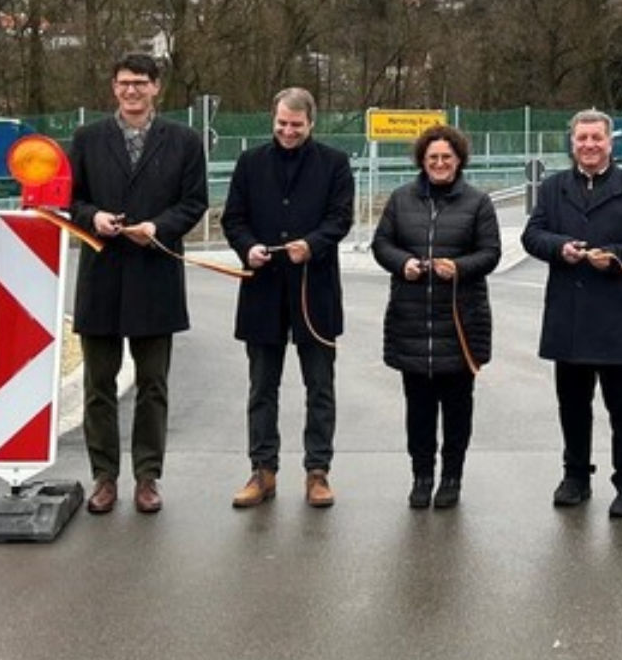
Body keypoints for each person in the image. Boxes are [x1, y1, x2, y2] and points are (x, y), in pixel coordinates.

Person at [66, 53, 209, 515]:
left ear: (155, 89)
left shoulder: (184, 141)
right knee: (98, 386)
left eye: (140, 83)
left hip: (155, 276)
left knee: (153, 385)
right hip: (102, 276)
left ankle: (148, 477)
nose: (132, 91)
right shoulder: (88, 139)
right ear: (113, 87)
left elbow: (194, 202)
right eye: (124, 83)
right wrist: (94, 218)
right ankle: (104, 478)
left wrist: (159, 227)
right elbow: (71, 199)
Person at [521, 109, 622, 519]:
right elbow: (533, 235)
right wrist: (560, 247)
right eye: (581, 138)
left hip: (616, 313)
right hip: (569, 314)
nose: (588, 145)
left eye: (596, 138)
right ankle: (576, 476)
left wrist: (616, 256)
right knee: (572, 404)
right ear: (572, 143)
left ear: (610, 142)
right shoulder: (552, 189)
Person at [220, 87, 354, 510]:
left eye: (296, 125)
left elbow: (340, 218)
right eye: (282, 123)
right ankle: (263, 470)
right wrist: (247, 248)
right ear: (272, 119)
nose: (288, 131)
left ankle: (318, 472)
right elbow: (233, 218)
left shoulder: (334, 164)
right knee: (262, 387)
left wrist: (312, 244)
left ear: (311, 123)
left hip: (315, 291)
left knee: (320, 387)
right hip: (262, 291)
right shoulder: (250, 163)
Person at [371, 124, 500, 509]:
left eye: (446, 157)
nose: (440, 163)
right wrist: (403, 263)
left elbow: (490, 253)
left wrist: (458, 267)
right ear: (422, 162)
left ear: (458, 159)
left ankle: (452, 477)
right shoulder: (400, 199)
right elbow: (382, 244)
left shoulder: (478, 203)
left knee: (458, 409)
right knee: (419, 410)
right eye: (432, 158)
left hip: (461, 323)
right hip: (412, 321)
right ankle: (421, 476)